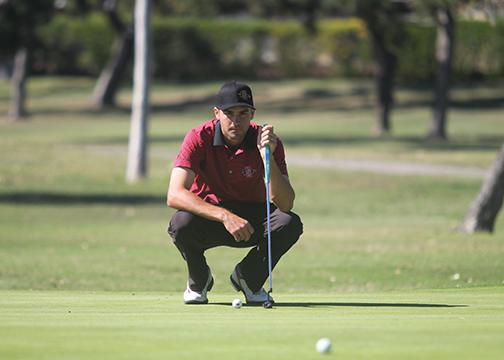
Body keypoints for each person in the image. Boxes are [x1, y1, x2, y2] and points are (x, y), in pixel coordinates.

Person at [166, 81, 303, 305]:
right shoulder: (199, 137)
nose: (236, 121)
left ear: (252, 114)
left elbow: (285, 203)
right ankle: (199, 280)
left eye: (243, 113)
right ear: (216, 113)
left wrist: (266, 156)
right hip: (210, 217)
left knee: (289, 223)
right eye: (229, 113)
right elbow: (174, 194)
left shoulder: (266, 141)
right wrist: (224, 216)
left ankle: (249, 278)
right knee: (180, 223)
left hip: (252, 219)